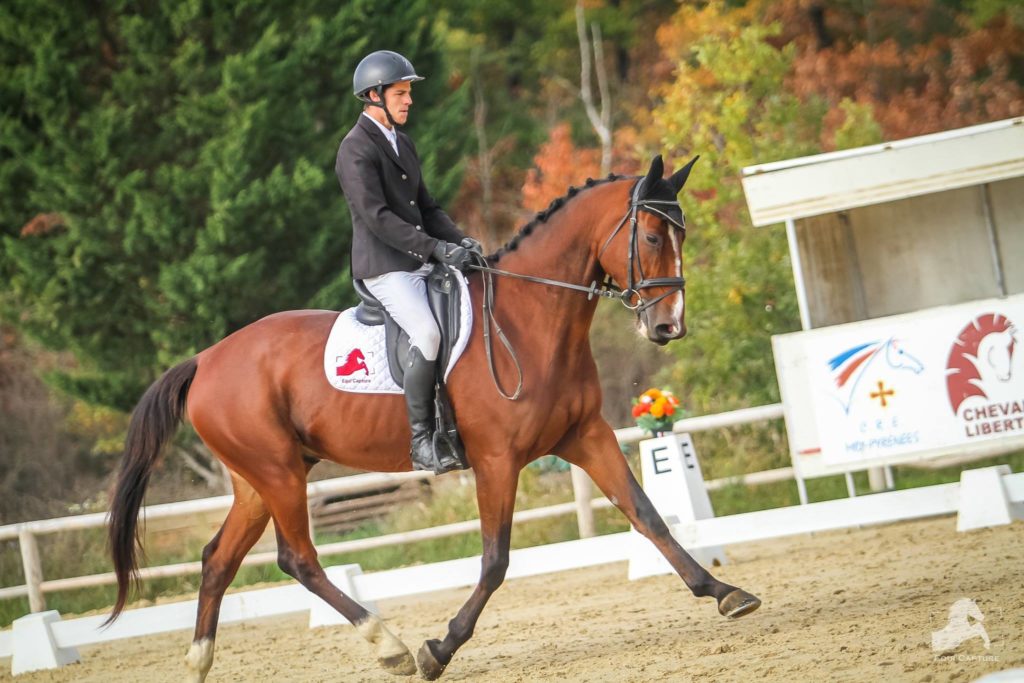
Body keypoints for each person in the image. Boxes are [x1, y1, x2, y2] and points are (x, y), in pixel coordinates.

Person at [335, 50, 480, 474]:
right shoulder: (354, 149)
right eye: (401, 93)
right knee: (428, 333)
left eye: (409, 93)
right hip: (385, 266)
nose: (409, 101)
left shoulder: (403, 142)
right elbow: (377, 218)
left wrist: (459, 241)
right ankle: (421, 440)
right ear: (374, 96)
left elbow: (427, 207)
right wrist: (435, 250)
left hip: (418, 259)